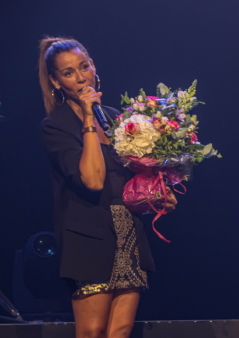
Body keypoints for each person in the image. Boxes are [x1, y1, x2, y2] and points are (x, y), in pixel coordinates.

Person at [39, 37, 176, 338]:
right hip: (88, 237)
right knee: (93, 331)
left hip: (127, 232)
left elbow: (128, 184)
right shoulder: (56, 125)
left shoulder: (117, 119)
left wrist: (156, 196)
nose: (80, 77)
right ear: (56, 81)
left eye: (84, 67)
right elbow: (92, 179)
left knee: (120, 331)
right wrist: (89, 118)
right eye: (69, 72)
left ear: (94, 67)